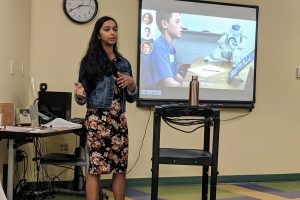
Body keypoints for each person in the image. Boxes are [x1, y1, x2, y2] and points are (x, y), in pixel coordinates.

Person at [74, 16, 138, 200]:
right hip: (97, 121)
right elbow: (82, 96)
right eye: (107, 29)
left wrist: (132, 84)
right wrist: (79, 93)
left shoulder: (124, 63)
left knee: (120, 168)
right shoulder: (88, 62)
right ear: (98, 34)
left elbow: (132, 97)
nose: (112, 33)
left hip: (118, 120)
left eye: (115, 29)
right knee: (95, 169)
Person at [143, 11, 184, 87]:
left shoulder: (171, 48)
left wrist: (186, 83)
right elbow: (169, 83)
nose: (182, 26)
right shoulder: (159, 48)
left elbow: (174, 74)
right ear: (164, 24)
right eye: (177, 22)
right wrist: (187, 89)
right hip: (155, 95)